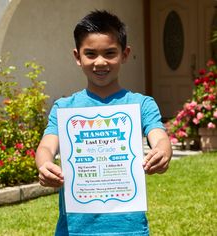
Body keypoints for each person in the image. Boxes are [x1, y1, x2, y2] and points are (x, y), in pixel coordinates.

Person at [35, 10, 172, 236]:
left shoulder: (141, 104)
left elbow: (159, 136)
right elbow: (47, 146)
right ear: (77, 56)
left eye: (110, 53)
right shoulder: (64, 108)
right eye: (90, 54)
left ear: (125, 54)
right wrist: (44, 165)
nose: (100, 62)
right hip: (75, 229)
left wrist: (162, 151)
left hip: (129, 229)